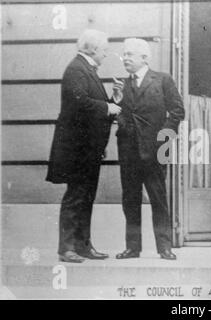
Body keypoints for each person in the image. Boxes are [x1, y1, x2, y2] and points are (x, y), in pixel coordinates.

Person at [46, 29, 122, 263]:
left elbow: (90, 106)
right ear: (93, 49)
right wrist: (108, 108)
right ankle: (67, 248)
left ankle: (82, 246)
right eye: (104, 50)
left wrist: (114, 99)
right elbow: (79, 103)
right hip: (77, 150)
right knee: (76, 196)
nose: (106, 55)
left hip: (87, 149)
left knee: (85, 196)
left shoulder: (85, 69)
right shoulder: (77, 69)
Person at [112, 38, 185, 260]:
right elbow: (119, 115)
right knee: (130, 200)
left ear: (144, 58)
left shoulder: (163, 80)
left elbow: (177, 112)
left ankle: (164, 247)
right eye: (124, 54)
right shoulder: (121, 85)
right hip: (129, 152)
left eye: (130, 54)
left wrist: (163, 139)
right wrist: (115, 101)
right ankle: (133, 248)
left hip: (155, 152)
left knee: (158, 199)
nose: (125, 58)